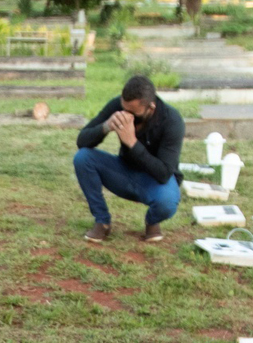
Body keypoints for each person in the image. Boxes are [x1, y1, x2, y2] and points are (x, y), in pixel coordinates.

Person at [73, 74, 185, 244]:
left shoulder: (172, 121)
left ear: (151, 108)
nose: (127, 116)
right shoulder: (118, 106)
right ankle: (102, 221)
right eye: (124, 110)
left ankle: (152, 222)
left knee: (167, 202)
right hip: (124, 172)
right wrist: (106, 126)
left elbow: (163, 173)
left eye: (134, 114)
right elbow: (82, 141)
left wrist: (132, 142)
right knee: (83, 158)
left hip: (154, 181)